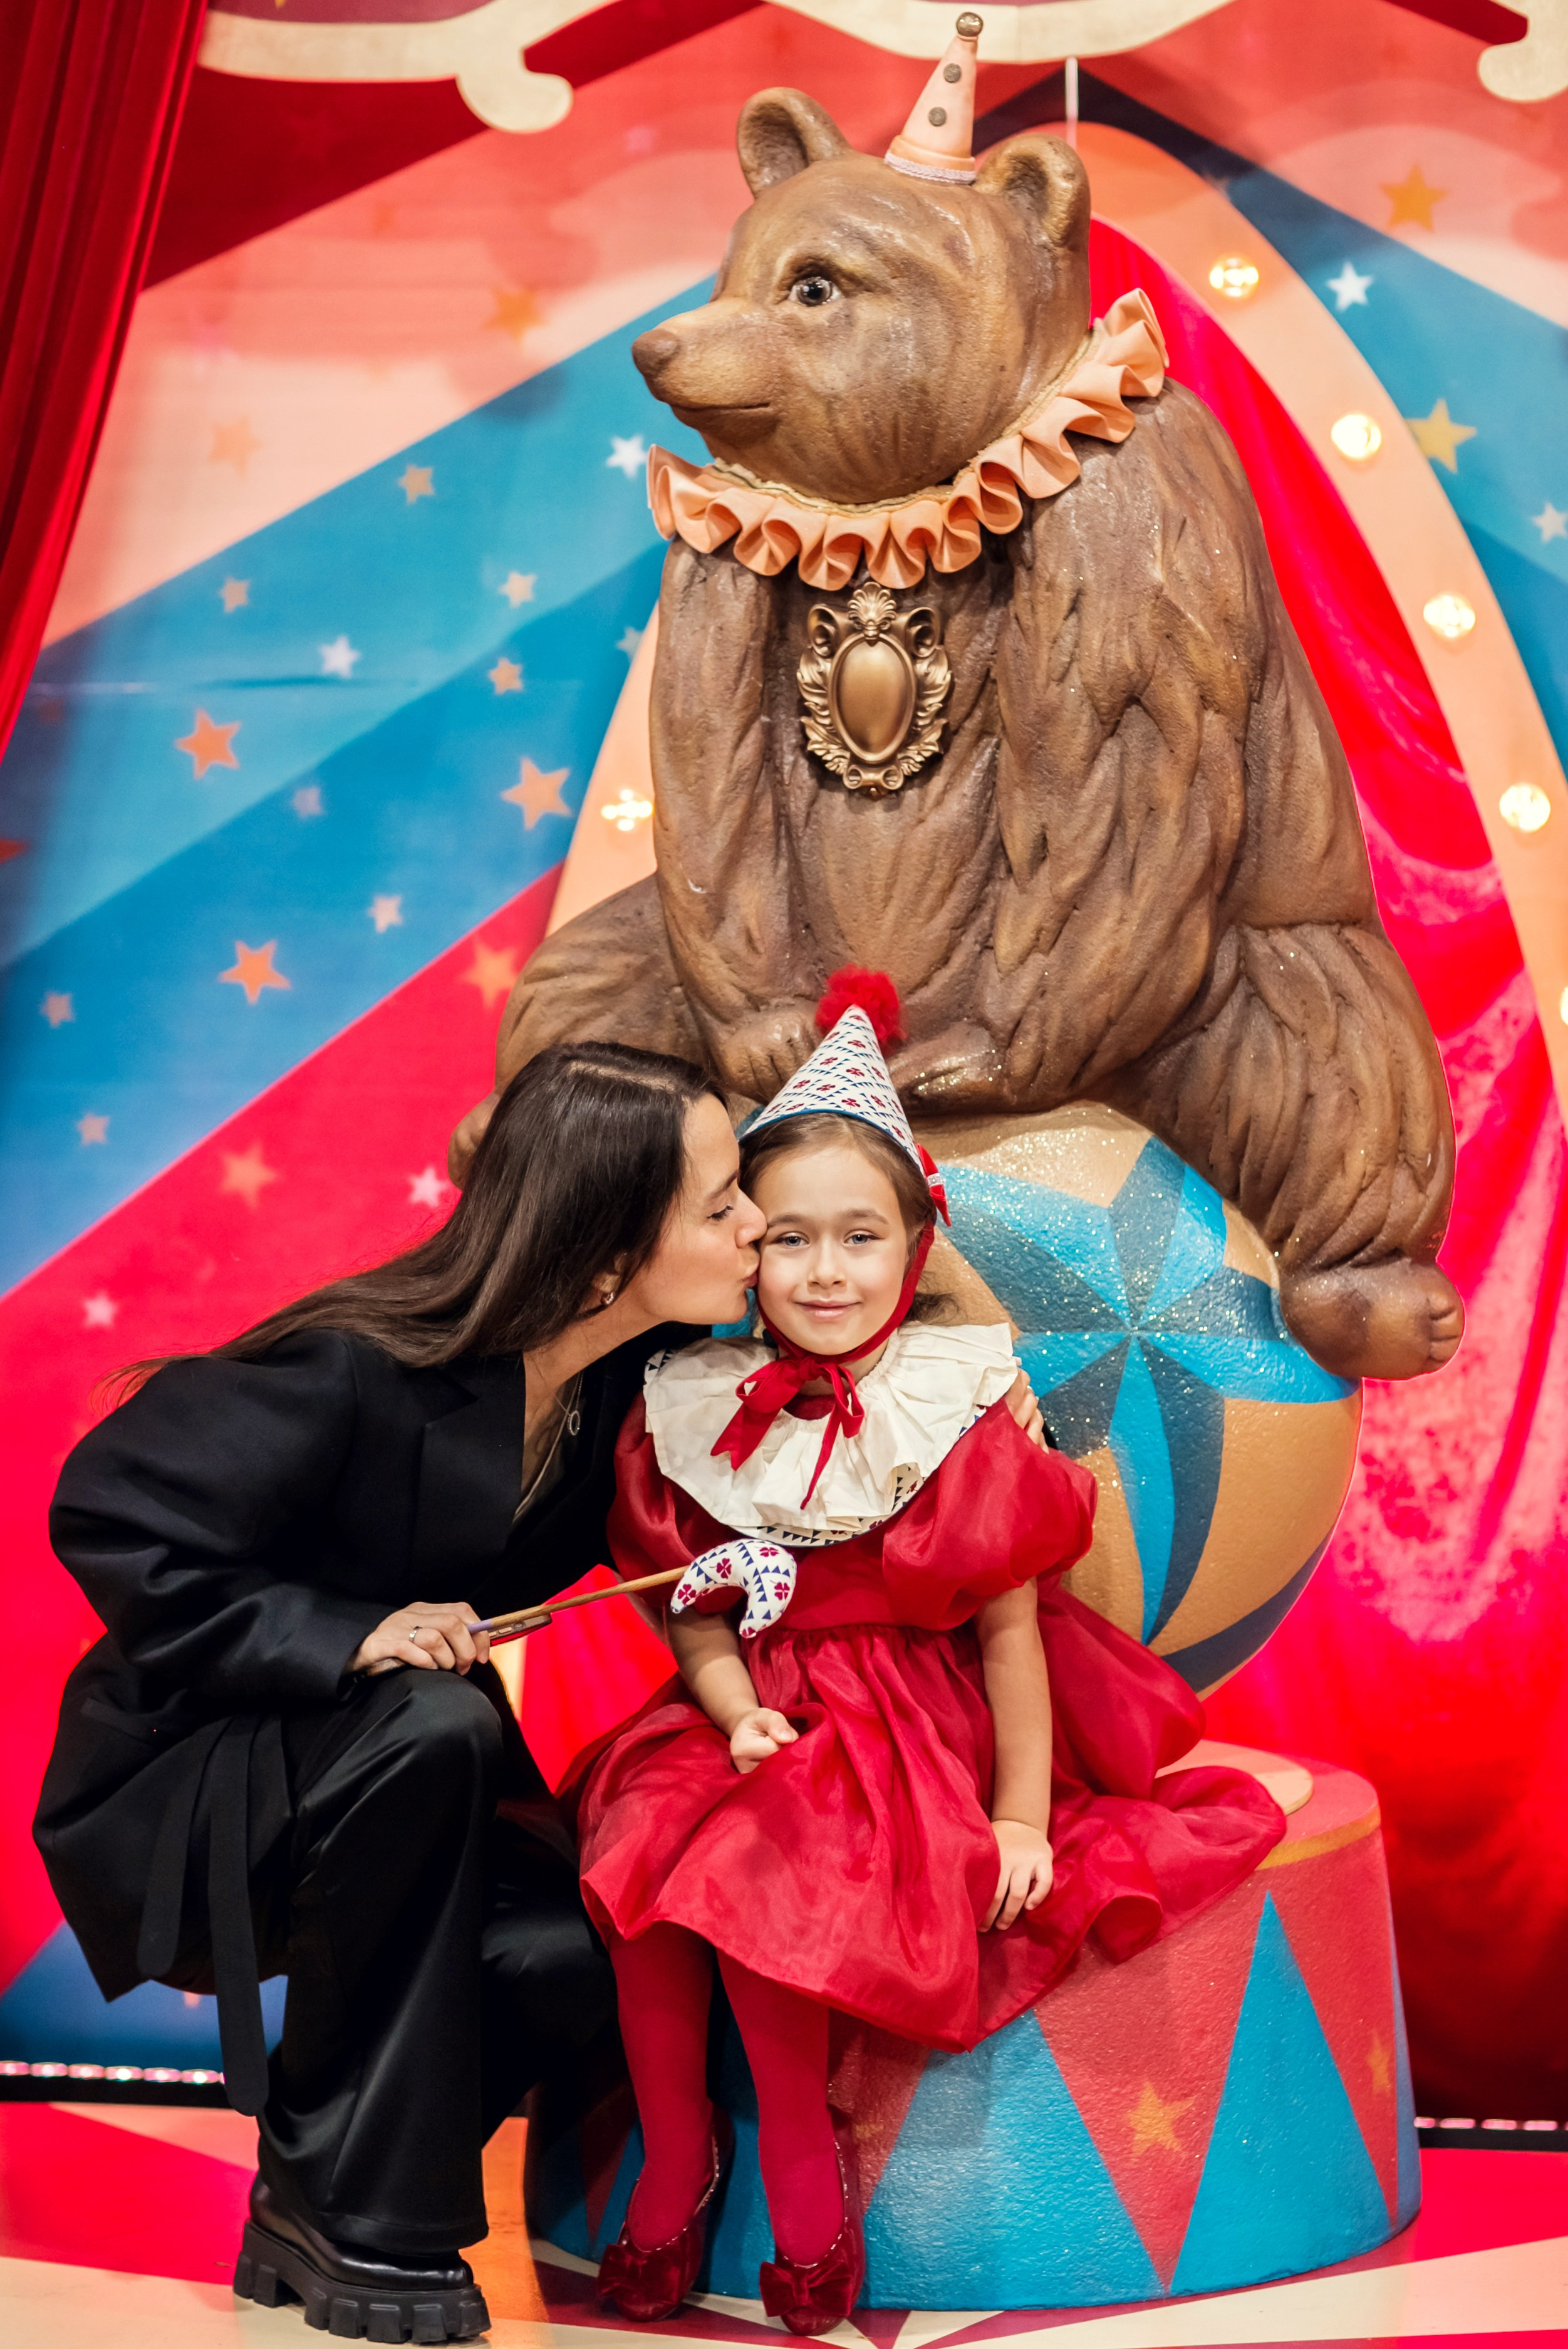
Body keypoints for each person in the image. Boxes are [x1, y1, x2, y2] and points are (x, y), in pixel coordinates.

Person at [573, 978, 1289, 2336]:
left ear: (914, 1248)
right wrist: (726, 1712)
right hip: (754, 1707)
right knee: (633, 1853)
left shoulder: (951, 1397)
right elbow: (696, 1610)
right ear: (745, 1250)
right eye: (789, 1239)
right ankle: (676, 2152)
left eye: (860, 1238)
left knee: (749, 1873)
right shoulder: (688, 1401)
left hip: (904, 1720)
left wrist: (1021, 1811)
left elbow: (1011, 1630)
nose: (825, 1272)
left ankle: (799, 2163)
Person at [33, 1042, 767, 2346]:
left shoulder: (614, 1396)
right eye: (720, 1206)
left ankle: (309, 2192)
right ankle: (377, 2226)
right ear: (606, 1254)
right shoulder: (355, 1368)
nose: (755, 1226)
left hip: (406, 1793)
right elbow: (107, 1508)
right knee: (442, 1718)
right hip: (197, 1782)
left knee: (594, 1951)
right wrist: (349, 1633)